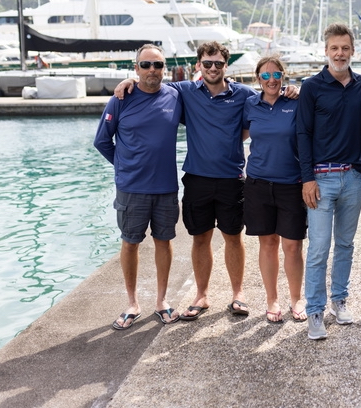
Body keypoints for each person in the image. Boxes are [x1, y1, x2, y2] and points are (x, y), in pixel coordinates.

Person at [115, 42, 298, 320]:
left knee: (233, 237)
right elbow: (152, 84)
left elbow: (268, 94)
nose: (213, 68)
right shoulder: (184, 91)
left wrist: (289, 90)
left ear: (226, 66)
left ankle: (238, 294)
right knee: (200, 239)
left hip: (231, 178)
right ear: (199, 65)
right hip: (198, 178)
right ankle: (202, 295)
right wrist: (128, 80)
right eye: (207, 63)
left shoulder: (244, 95)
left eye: (219, 64)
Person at [95, 44, 182, 329]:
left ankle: (161, 300)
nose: (151, 70)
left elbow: (210, 84)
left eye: (157, 65)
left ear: (164, 69)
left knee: (163, 241)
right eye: (145, 65)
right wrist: (124, 166)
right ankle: (132, 302)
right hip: (131, 188)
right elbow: (102, 141)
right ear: (136, 68)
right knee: (130, 242)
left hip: (166, 186)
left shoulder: (175, 95)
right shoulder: (121, 99)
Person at [297, 23, 361, 340]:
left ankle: (338, 301)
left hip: (353, 177)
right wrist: (307, 179)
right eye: (334, 48)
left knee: (345, 244)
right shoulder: (312, 87)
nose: (339, 53)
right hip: (321, 178)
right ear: (326, 51)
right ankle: (314, 311)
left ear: (352, 51)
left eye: (345, 48)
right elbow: (302, 133)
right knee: (318, 249)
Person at [243, 56, 307, 324]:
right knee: (267, 244)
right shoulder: (249, 104)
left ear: (284, 76)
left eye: (276, 75)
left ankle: (296, 299)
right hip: (258, 184)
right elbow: (241, 134)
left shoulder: (295, 102)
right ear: (258, 79)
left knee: (292, 246)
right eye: (265, 76)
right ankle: (272, 300)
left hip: (291, 184)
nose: (271, 80)